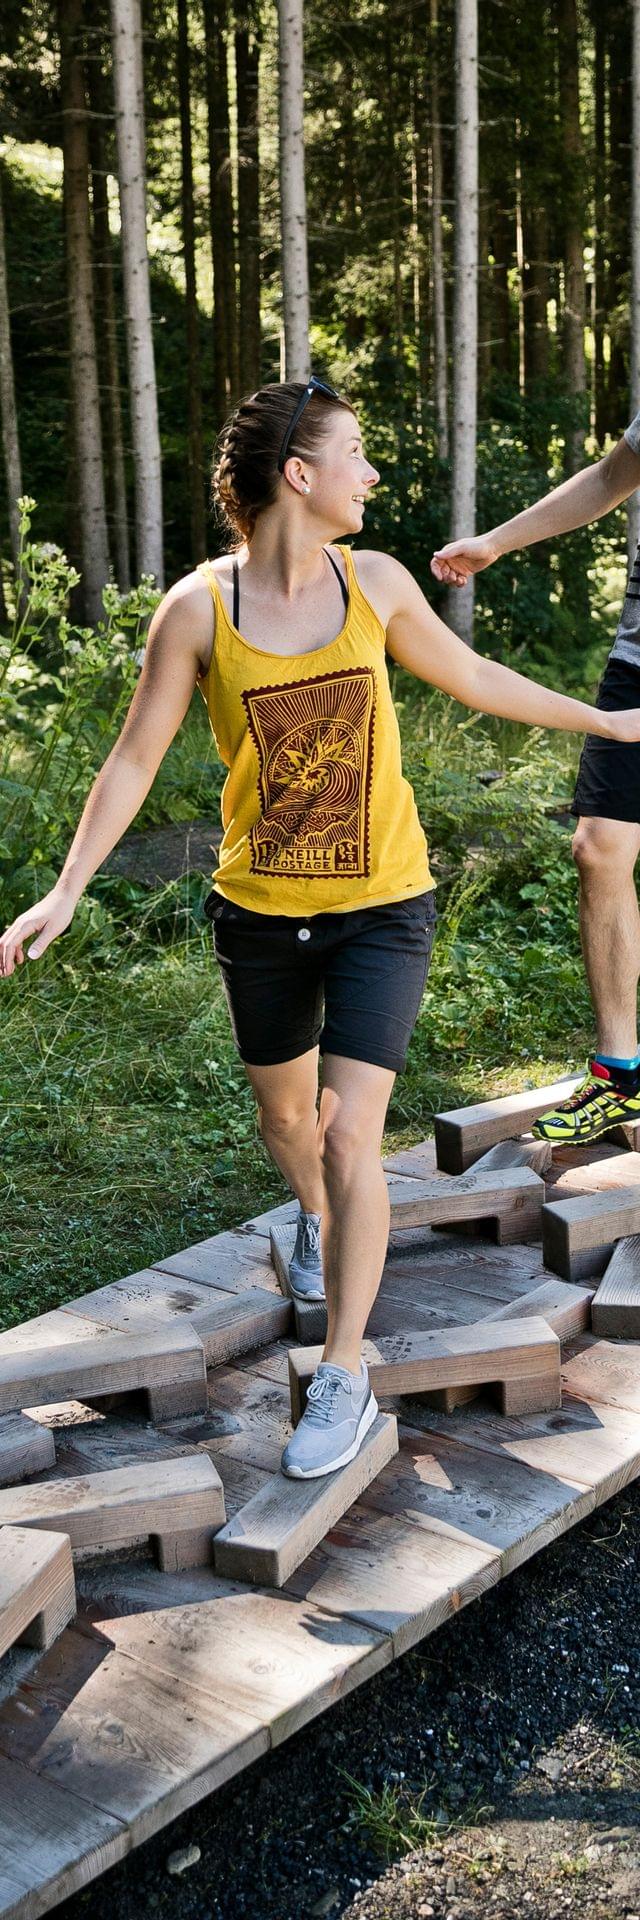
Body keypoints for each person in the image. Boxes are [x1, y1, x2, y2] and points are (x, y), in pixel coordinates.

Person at [4, 377, 640, 1481]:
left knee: (354, 1133)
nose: (371, 475)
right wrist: (66, 890)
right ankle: (311, 1216)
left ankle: (340, 1370)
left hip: (384, 907)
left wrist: (602, 720)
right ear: (299, 474)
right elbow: (135, 759)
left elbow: (476, 677)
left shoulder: (378, 584)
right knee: (292, 1125)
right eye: (355, 454)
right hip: (261, 915)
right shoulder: (199, 610)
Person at [431, 412, 640, 1146]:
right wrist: (495, 542)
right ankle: (620, 1077)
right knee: (598, 847)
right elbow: (612, 479)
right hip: (638, 663)